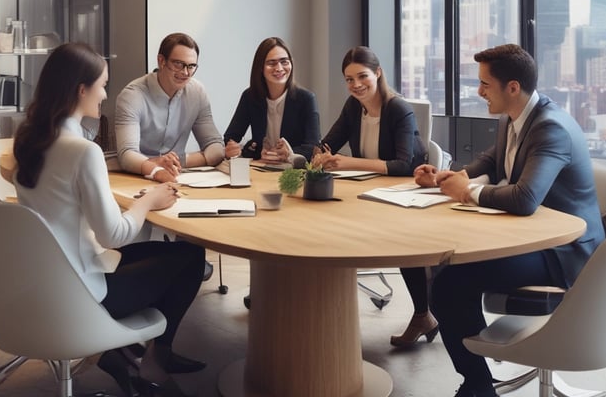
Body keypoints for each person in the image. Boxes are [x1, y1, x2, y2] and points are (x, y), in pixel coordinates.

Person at [11, 43, 206, 397]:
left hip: (43, 282)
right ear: (80, 90)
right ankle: (151, 361)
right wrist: (148, 202)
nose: (105, 94)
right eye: (101, 85)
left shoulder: (31, 139)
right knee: (191, 258)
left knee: (176, 255)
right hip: (81, 295)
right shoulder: (83, 151)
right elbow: (114, 235)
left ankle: (121, 354)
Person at [418, 44, 605, 397]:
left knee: (449, 285)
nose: (479, 91)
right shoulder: (514, 119)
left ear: (513, 87)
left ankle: (477, 386)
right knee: (448, 275)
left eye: (486, 84)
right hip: (535, 238)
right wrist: (446, 178)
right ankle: (479, 378)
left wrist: (465, 192)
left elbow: (525, 198)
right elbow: (489, 164)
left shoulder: (550, 128)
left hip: (563, 253)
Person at [312, 46, 434, 347]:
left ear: (378, 74)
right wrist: (318, 154)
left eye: (362, 77)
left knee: (405, 242)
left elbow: (405, 164)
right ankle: (324, 311)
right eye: (349, 79)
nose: (356, 85)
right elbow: (327, 143)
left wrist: (349, 162)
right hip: (366, 191)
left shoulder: (398, 109)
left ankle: (423, 314)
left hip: (404, 193)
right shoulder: (353, 107)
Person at [115, 32, 225, 182]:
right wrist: (155, 165)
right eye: (178, 64)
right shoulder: (132, 96)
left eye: (191, 66)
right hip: (136, 176)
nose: (185, 73)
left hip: (178, 176)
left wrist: (179, 161)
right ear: (161, 61)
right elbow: (127, 155)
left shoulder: (197, 92)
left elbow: (216, 146)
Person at [223, 36, 320, 165]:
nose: (279, 68)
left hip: (293, 171)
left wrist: (288, 153)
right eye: (271, 63)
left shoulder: (306, 99)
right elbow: (230, 138)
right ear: (260, 68)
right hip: (261, 166)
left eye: (284, 61)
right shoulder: (250, 97)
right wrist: (235, 149)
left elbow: (313, 147)